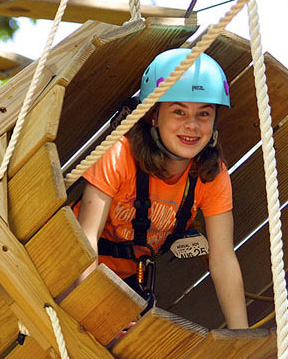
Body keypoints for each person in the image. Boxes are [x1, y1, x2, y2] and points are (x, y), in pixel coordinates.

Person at [74, 48, 248, 329]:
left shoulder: (211, 176)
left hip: (130, 280)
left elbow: (223, 258)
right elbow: (86, 238)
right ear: (154, 115)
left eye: (204, 114)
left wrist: (241, 335)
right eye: (179, 111)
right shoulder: (120, 155)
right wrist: (96, 308)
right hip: (79, 268)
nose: (191, 126)